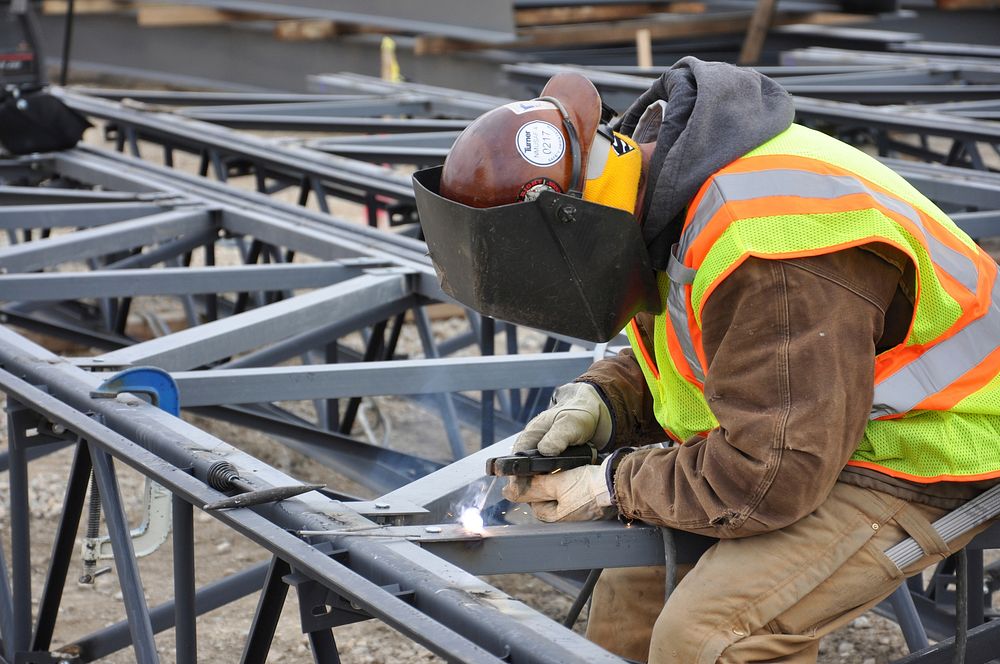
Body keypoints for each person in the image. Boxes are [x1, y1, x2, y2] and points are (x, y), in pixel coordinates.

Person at [412, 58, 1000, 663]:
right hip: (819, 425)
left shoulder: (769, 242)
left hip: (936, 445)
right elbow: (733, 352)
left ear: (570, 225)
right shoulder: (661, 197)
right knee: (632, 597)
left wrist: (611, 483)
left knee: (711, 639)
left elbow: (770, 475)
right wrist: (606, 400)